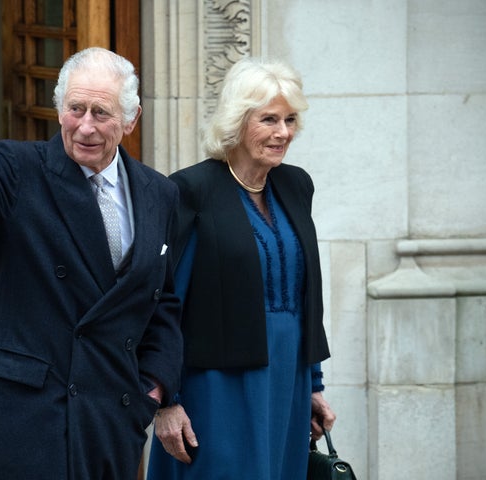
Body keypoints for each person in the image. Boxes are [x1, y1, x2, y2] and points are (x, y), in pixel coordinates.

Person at [0, 45, 183, 479]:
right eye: (75, 109)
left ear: (131, 120)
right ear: (59, 109)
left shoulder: (158, 193)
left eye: (101, 113)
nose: (85, 126)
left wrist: (153, 387)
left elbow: (161, 299)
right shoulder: (18, 169)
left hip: (109, 422)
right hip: (27, 422)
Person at [147, 58, 337, 479]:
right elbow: (166, 301)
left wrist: (314, 385)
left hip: (288, 381)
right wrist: (166, 401)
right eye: (269, 119)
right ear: (237, 121)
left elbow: (303, 297)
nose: (283, 132)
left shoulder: (295, 185)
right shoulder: (191, 190)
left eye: (290, 120)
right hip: (216, 387)